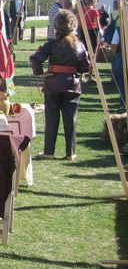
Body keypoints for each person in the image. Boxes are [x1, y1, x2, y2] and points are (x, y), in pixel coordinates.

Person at [29, 9, 90, 161]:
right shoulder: (79, 45)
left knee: (51, 118)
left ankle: (49, 152)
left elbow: (35, 58)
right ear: (73, 26)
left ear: (56, 27)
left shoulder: (51, 45)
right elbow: (84, 67)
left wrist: (40, 73)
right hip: (72, 86)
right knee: (71, 120)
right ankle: (70, 153)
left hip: (53, 85)